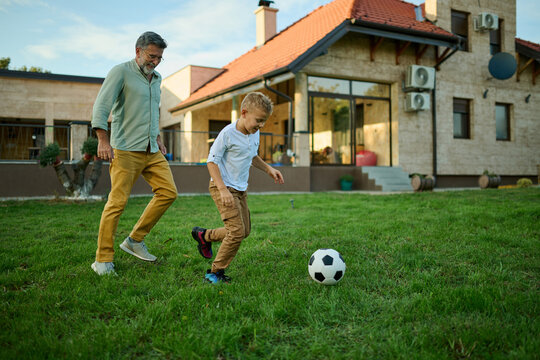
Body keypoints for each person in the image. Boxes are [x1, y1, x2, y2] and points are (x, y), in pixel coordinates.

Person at [90, 31, 178, 275]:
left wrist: (157, 137)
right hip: (125, 149)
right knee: (117, 203)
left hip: (151, 148)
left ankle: (135, 240)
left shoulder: (157, 78)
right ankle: (103, 260)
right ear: (137, 51)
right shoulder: (121, 72)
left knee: (168, 192)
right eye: (152, 56)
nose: (156, 61)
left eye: (160, 57)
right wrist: (103, 140)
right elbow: (102, 105)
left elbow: (152, 111)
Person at [191, 92, 284, 283]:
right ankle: (215, 272)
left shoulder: (254, 133)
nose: (261, 125)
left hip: (241, 189)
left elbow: (252, 155)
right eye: (258, 120)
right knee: (236, 232)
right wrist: (223, 189)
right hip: (223, 187)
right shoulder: (228, 134)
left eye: (264, 121)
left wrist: (268, 169)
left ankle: (205, 236)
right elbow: (211, 162)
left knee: (244, 231)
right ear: (244, 112)